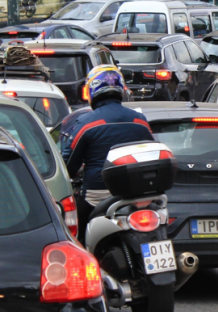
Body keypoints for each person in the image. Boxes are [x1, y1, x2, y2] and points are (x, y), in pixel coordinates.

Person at [61, 65, 155, 237]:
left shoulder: (86, 122)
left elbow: (68, 165)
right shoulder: (140, 120)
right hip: (134, 194)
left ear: (91, 90)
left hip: (97, 196)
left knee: (73, 232)